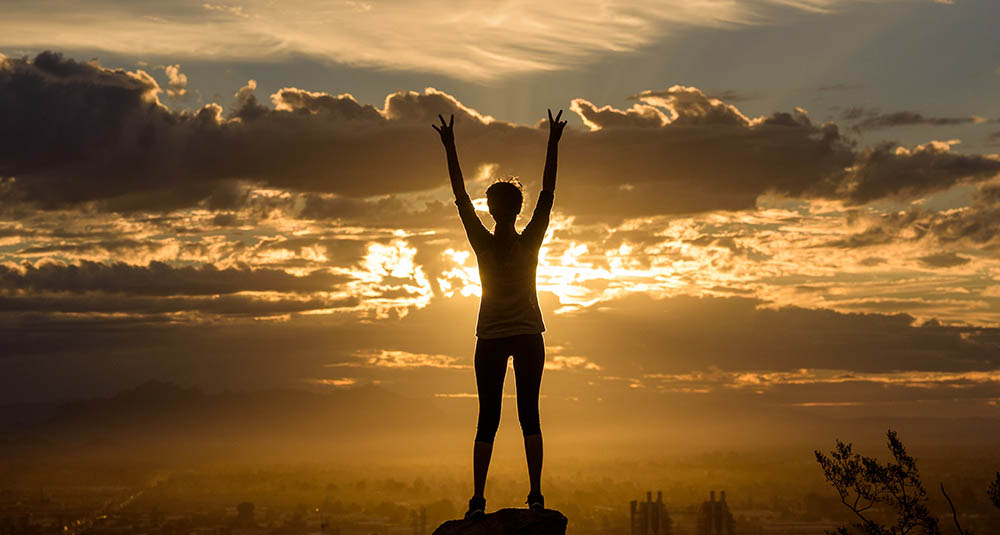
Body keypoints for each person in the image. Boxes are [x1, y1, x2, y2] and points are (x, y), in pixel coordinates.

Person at [432, 109, 567, 520]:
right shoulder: (530, 242)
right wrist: (552, 144)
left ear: (492, 210)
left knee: (486, 418)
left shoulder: (483, 242)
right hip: (527, 336)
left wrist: (451, 148)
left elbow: (459, 197)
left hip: (491, 337)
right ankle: (536, 495)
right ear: (516, 209)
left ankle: (478, 501)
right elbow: (548, 193)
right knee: (530, 414)